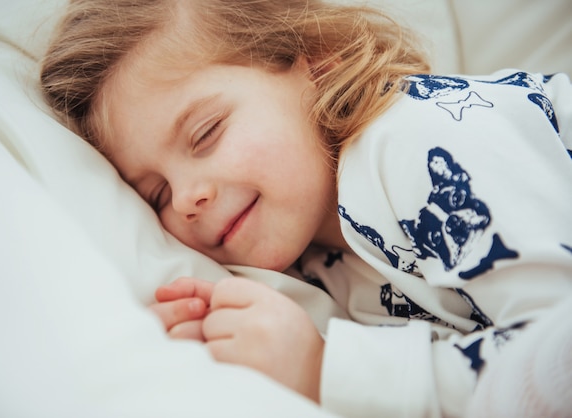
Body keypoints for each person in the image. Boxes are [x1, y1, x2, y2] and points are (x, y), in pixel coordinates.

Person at [40, 0, 572, 416]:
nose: (185, 199)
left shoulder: (416, 140)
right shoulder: (314, 262)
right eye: (155, 194)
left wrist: (324, 369)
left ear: (314, 63)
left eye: (205, 134)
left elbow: (557, 350)